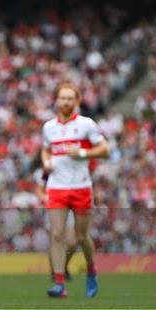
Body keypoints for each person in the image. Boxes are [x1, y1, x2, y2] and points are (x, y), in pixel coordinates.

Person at [41, 82, 109, 298]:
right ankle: (60, 284)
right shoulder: (49, 127)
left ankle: (91, 270)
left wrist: (81, 153)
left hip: (81, 186)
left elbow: (105, 150)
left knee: (81, 236)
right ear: (57, 100)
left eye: (70, 98)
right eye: (63, 98)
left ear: (77, 101)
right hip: (57, 187)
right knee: (58, 234)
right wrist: (46, 162)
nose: (66, 102)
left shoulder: (86, 124)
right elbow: (45, 150)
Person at [31, 153, 76, 281]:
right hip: (54, 208)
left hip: (69, 208)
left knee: (72, 242)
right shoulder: (44, 171)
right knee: (56, 240)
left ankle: (63, 267)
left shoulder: (69, 169)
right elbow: (39, 190)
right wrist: (47, 200)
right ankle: (56, 272)